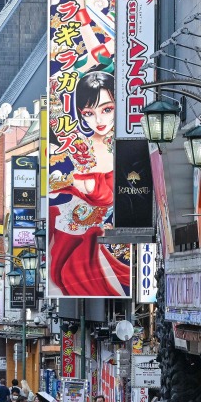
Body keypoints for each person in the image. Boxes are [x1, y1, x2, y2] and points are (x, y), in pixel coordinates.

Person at [47, 70, 130, 297]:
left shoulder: (130, 145)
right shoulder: (79, 149)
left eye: (107, 109)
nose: (99, 120)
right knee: (69, 273)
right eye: (89, 113)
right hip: (82, 235)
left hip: (122, 237)